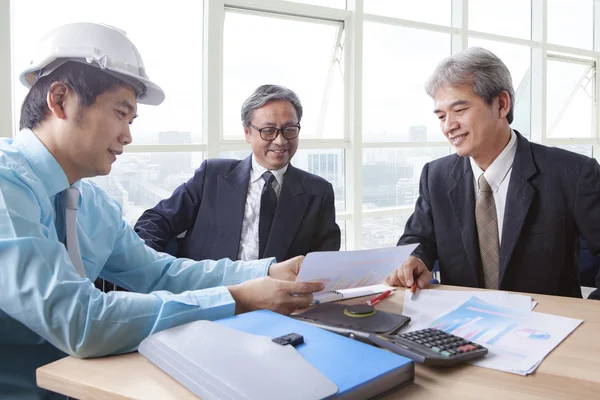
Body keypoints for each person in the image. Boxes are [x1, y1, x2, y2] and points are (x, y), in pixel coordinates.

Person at [0, 23, 324, 399]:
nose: (128, 135)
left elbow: (160, 272)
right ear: (60, 100)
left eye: (131, 121)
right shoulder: (6, 187)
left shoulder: (91, 204)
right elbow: (79, 319)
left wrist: (265, 271)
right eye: (121, 114)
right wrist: (238, 298)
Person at [385, 47, 600, 300]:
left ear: (501, 104)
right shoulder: (436, 176)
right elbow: (418, 237)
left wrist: (591, 315)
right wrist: (415, 258)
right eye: (441, 116)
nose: (448, 126)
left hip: (552, 329)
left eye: (460, 110)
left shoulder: (573, 174)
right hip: (462, 328)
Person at [134, 84, 341, 262]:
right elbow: (155, 221)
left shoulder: (318, 192)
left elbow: (325, 264)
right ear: (247, 133)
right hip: (211, 298)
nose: (280, 141)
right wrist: (154, 270)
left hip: (279, 302)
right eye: (268, 131)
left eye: (289, 129)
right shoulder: (212, 176)